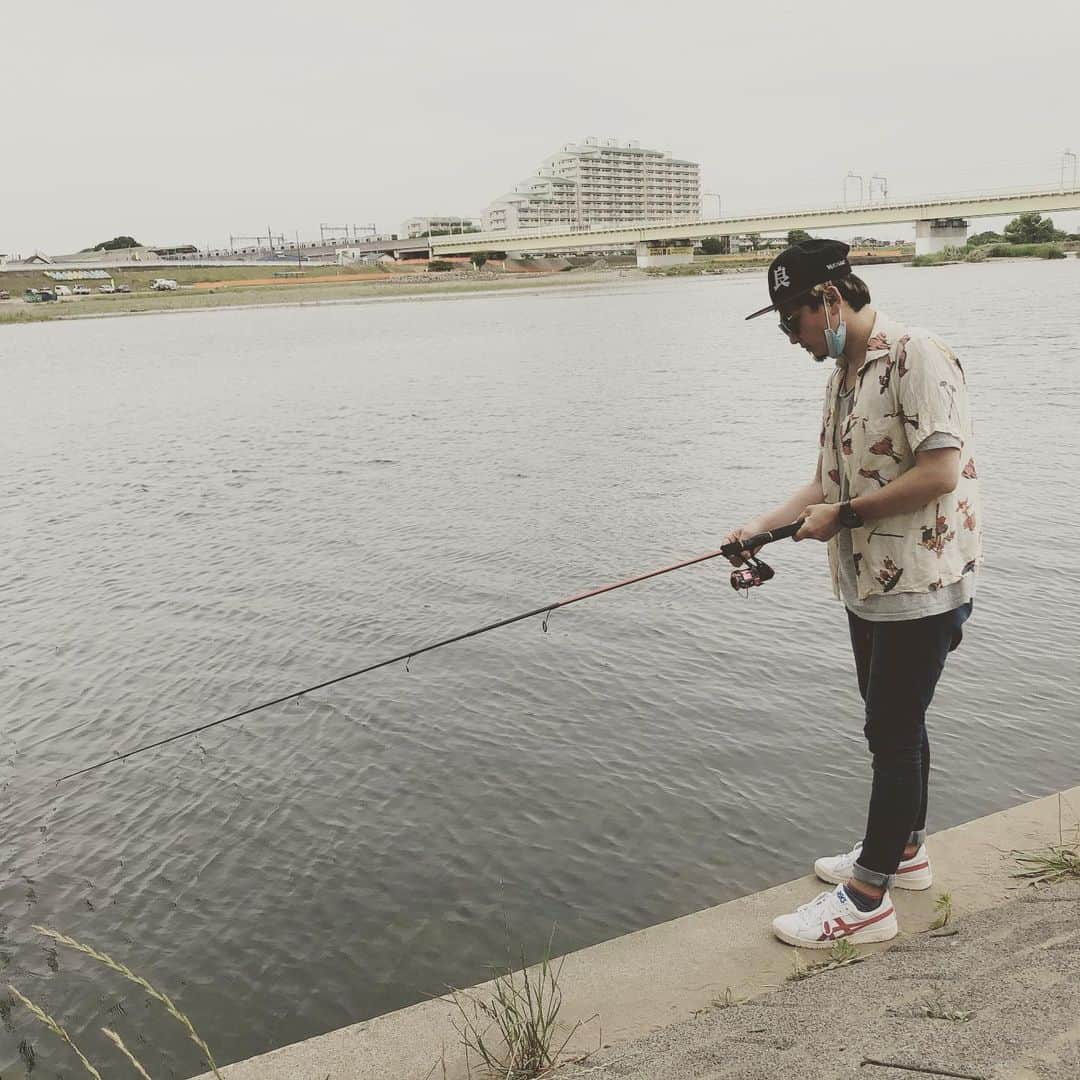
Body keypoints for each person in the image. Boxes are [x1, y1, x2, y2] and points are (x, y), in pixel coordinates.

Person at [726, 238, 981, 948]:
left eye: (791, 321)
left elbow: (940, 473)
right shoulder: (841, 374)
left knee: (890, 735)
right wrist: (759, 525)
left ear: (830, 300)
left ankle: (867, 898)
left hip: (923, 584)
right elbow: (826, 482)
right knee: (895, 720)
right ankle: (905, 852)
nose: (789, 337)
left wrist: (842, 518)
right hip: (866, 582)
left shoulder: (918, 355)